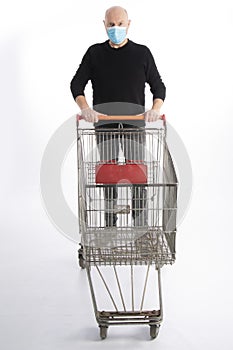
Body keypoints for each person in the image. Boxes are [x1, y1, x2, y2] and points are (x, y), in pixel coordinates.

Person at [71, 6, 166, 227]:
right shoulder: (94, 53)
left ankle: (140, 226)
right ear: (104, 25)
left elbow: (158, 86)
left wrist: (155, 109)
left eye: (120, 24)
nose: (116, 28)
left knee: (138, 175)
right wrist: (86, 108)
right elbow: (76, 84)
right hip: (104, 125)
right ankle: (110, 225)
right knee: (109, 175)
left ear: (129, 24)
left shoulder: (142, 53)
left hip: (135, 124)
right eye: (111, 24)